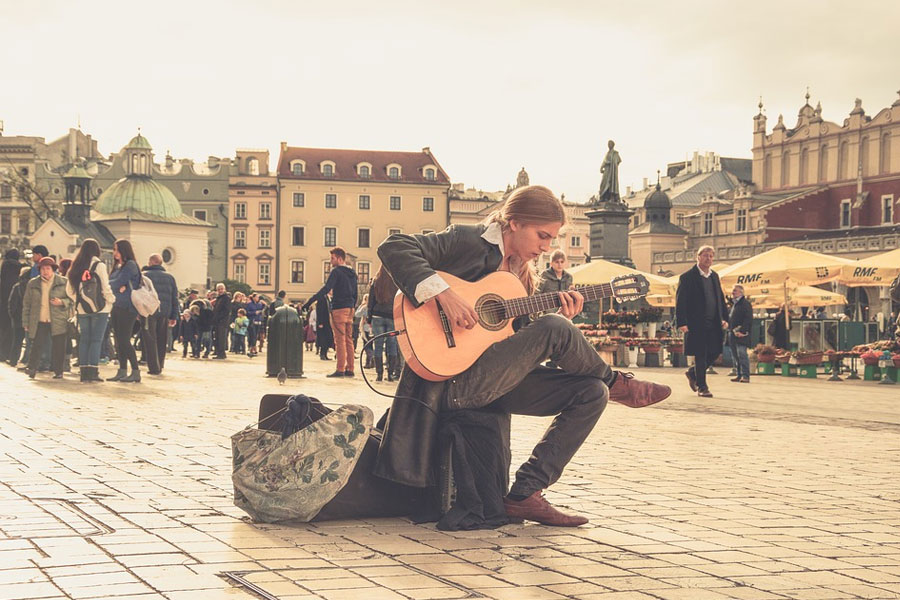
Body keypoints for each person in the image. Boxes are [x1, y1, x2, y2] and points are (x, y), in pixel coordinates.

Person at [376, 184, 671, 527]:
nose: (547, 246)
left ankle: (525, 494)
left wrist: (558, 318)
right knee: (555, 329)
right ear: (514, 223)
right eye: (542, 235)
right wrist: (445, 295)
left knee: (592, 392)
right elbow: (393, 246)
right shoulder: (467, 240)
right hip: (451, 382)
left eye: (552, 239)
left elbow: (512, 341)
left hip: (492, 381)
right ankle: (618, 382)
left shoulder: (522, 276)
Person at [675, 245, 728, 398]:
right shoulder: (687, 277)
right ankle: (702, 387)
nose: (708, 259)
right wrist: (682, 322)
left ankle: (693, 373)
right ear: (698, 257)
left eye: (711, 256)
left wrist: (725, 318)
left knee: (715, 351)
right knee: (701, 354)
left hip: (714, 322)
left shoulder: (714, 276)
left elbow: (720, 299)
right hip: (696, 323)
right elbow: (680, 301)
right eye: (705, 255)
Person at [302, 247, 358, 377]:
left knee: (339, 340)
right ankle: (350, 368)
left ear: (340, 258)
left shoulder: (336, 272)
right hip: (350, 308)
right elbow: (355, 293)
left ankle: (340, 369)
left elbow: (327, 288)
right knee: (349, 339)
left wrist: (309, 302)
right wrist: (352, 306)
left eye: (332, 258)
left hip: (339, 308)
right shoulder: (353, 273)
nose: (331, 261)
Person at [66, 239, 115, 383]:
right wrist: (111, 300)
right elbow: (105, 287)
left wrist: (80, 300)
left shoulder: (76, 266)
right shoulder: (99, 265)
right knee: (96, 340)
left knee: (84, 339)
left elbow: (69, 290)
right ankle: (93, 371)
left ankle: (84, 372)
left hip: (82, 309)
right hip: (100, 308)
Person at [21, 257, 72, 379]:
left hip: (58, 320)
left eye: (48, 268)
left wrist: (62, 302)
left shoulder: (63, 282)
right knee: (36, 345)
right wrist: (26, 322)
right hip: (39, 319)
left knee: (59, 346)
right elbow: (27, 304)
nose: (45, 271)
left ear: (53, 269)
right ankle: (32, 368)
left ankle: (58, 371)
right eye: (43, 269)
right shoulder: (33, 283)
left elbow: (72, 300)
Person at [107, 239, 142, 382]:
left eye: (117, 250)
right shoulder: (117, 267)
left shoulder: (130, 265)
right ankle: (122, 370)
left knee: (124, 340)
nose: (115, 253)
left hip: (128, 308)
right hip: (116, 305)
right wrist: (117, 287)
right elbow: (114, 283)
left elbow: (117, 282)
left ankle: (135, 371)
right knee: (118, 340)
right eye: (114, 249)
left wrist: (114, 286)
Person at [141, 254, 179, 375]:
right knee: (162, 339)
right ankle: (160, 364)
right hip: (164, 312)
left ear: (151, 262)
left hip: (149, 311)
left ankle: (153, 367)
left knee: (150, 339)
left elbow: (139, 294)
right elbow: (174, 298)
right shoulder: (170, 278)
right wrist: (174, 316)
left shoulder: (144, 276)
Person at [367, 265, 399, 382]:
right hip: (392, 316)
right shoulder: (396, 281)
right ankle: (390, 374)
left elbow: (371, 301)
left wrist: (369, 317)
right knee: (392, 345)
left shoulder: (376, 281)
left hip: (377, 316)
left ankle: (379, 374)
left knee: (378, 346)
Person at [0, 249, 22, 362]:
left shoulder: (4, 266)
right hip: (14, 303)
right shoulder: (19, 268)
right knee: (11, 330)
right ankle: (7, 354)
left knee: (2, 328)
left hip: (2, 302)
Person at [727, 284, 752, 384]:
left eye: (735, 291)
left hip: (741, 334)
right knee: (735, 356)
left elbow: (748, 319)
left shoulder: (745, 304)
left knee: (742, 354)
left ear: (741, 292)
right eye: (733, 291)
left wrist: (743, 331)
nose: (733, 292)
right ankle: (739, 374)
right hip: (732, 333)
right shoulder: (734, 304)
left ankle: (745, 376)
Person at [6, 266, 30, 366]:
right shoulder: (33, 286)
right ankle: (26, 360)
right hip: (29, 318)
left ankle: (13, 360)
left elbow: (11, 303)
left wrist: (13, 315)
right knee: (29, 342)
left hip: (18, 318)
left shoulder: (17, 286)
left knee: (17, 341)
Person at [211, 283, 231, 359]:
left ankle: (222, 354)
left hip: (222, 321)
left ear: (224, 289)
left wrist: (219, 318)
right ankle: (217, 352)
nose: (220, 290)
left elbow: (226, 311)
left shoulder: (226, 298)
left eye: (221, 289)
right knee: (217, 337)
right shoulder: (219, 298)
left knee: (221, 338)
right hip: (217, 321)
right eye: (219, 289)